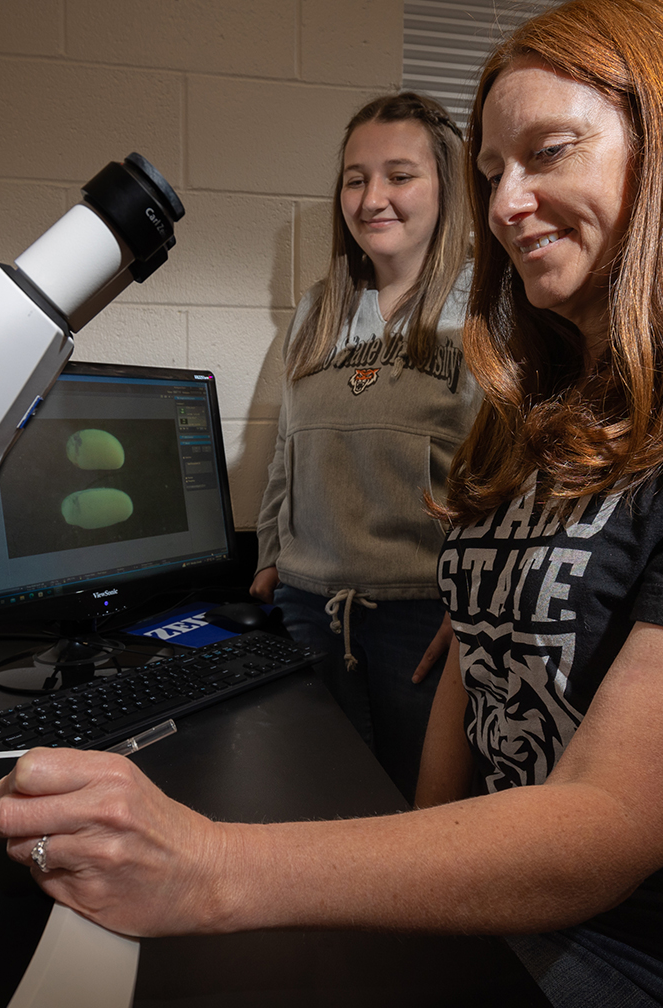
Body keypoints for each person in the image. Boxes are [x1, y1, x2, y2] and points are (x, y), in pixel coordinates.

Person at [0, 0, 663, 1008]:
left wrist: (212, 867)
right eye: (492, 173)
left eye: (550, 152)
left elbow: (613, 818)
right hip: (527, 904)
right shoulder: (535, 403)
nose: (503, 204)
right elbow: (475, 659)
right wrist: (412, 917)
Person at [249, 91, 479, 801]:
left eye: (399, 175)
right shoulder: (319, 308)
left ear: (447, 187)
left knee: (419, 821)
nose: (373, 197)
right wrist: (269, 557)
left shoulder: (488, 311)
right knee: (320, 803)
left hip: (427, 620)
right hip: (309, 610)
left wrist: (478, 608)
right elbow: (288, 446)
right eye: (355, 177)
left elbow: (515, 473)